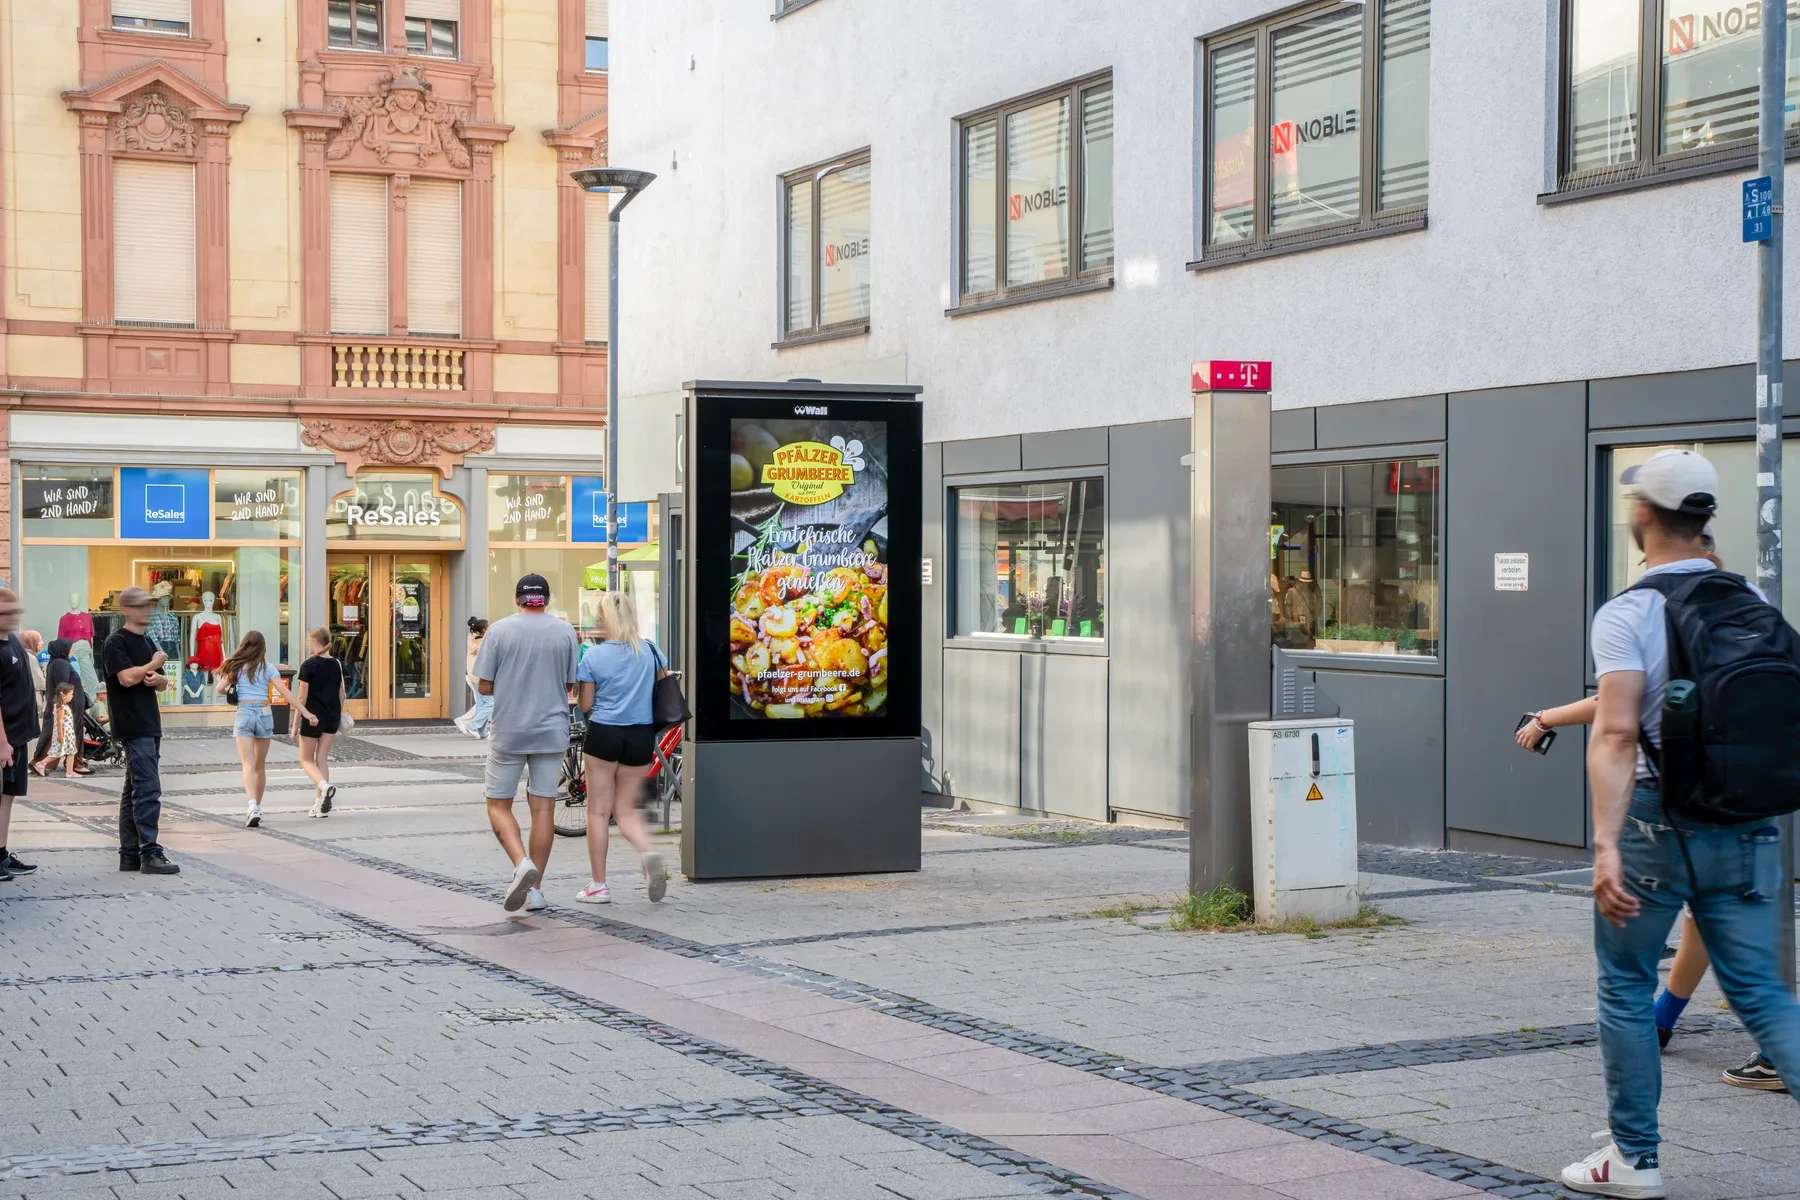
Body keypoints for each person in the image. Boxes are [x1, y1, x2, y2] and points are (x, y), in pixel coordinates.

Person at [1560, 449, 1800, 1198]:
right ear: (1704, 518)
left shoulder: (1630, 611)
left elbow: (1617, 732)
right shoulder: (1754, 601)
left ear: (1642, 515)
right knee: (1762, 991)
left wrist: (1604, 844)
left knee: (1626, 985)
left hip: (1655, 826)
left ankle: (1634, 1159)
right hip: (1751, 822)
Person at [472, 574, 580, 914]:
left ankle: (520, 863)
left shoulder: (499, 631)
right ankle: (535, 891)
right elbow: (569, 683)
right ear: (546, 599)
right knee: (544, 807)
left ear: (518, 599)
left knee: (498, 805)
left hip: (510, 730)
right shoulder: (565, 631)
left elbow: (484, 684)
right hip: (551, 731)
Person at [572, 590, 668, 906]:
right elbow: (663, 689)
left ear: (603, 620)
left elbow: (585, 704)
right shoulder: (652, 651)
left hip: (604, 734)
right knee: (625, 810)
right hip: (640, 736)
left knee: (598, 811)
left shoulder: (594, 656)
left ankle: (599, 885)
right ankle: (648, 851)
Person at [102, 586, 177, 875]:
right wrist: (152, 666)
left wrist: (157, 677)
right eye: (142, 605)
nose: (148, 610)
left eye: (149, 605)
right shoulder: (115, 642)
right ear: (126, 609)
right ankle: (149, 852)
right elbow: (125, 678)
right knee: (147, 788)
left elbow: (159, 683)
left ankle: (130, 854)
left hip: (149, 722)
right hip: (133, 723)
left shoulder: (146, 642)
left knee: (134, 788)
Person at [215, 630, 305, 828]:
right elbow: (285, 692)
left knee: (247, 764)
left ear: (244, 646)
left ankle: (251, 806)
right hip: (265, 713)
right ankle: (258, 807)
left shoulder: (236, 667)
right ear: (262, 648)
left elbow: (219, 689)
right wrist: (304, 711)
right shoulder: (269, 668)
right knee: (259, 765)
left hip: (245, 713)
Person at [0, 589, 41, 882]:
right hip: (5, 739)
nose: (13, 617)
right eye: (6, 612)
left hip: (19, 735)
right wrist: (2, 743)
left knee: (8, 797)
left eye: (16, 611)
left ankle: (1, 855)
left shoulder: (13, 640)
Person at [292, 627, 346, 819]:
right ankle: (319, 804)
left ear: (315, 641)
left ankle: (325, 787)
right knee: (321, 759)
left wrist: (295, 724)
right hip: (332, 717)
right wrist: (338, 716)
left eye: (308, 640)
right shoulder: (336, 664)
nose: (307, 644)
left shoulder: (308, 665)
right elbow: (342, 694)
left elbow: (302, 698)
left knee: (306, 760)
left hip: (313, 718)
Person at [34, 640, 89, 776]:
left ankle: (67, 766)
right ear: (62, 649)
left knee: (67, 740)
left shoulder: (59, 663)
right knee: (66, 739)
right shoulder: (61, 664)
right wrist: (66, 706)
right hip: (68, 710)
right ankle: (42, 763)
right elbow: (62, 686)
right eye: (70, 648)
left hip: (69, 708)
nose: (72, 651)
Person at [453, 617, 493, 739]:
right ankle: (473, 725)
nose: (490, 628)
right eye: (488, 627)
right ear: (483, 631)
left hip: (472, 675)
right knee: (491, 703)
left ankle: (483, 732)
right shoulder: (483, 643)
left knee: (482, 703)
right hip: (480, 676)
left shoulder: (471, 637)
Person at [35, 682, 79, 779]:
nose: (72, 696)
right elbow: (59, 721)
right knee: (56, 752)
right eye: (71, 694)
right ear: (64, 695)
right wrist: (60, 734)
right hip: (63, 733)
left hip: (68, 734)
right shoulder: (61, 707)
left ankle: (70, 771)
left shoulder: (64, 706)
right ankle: (42, 763)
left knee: (71, 751)